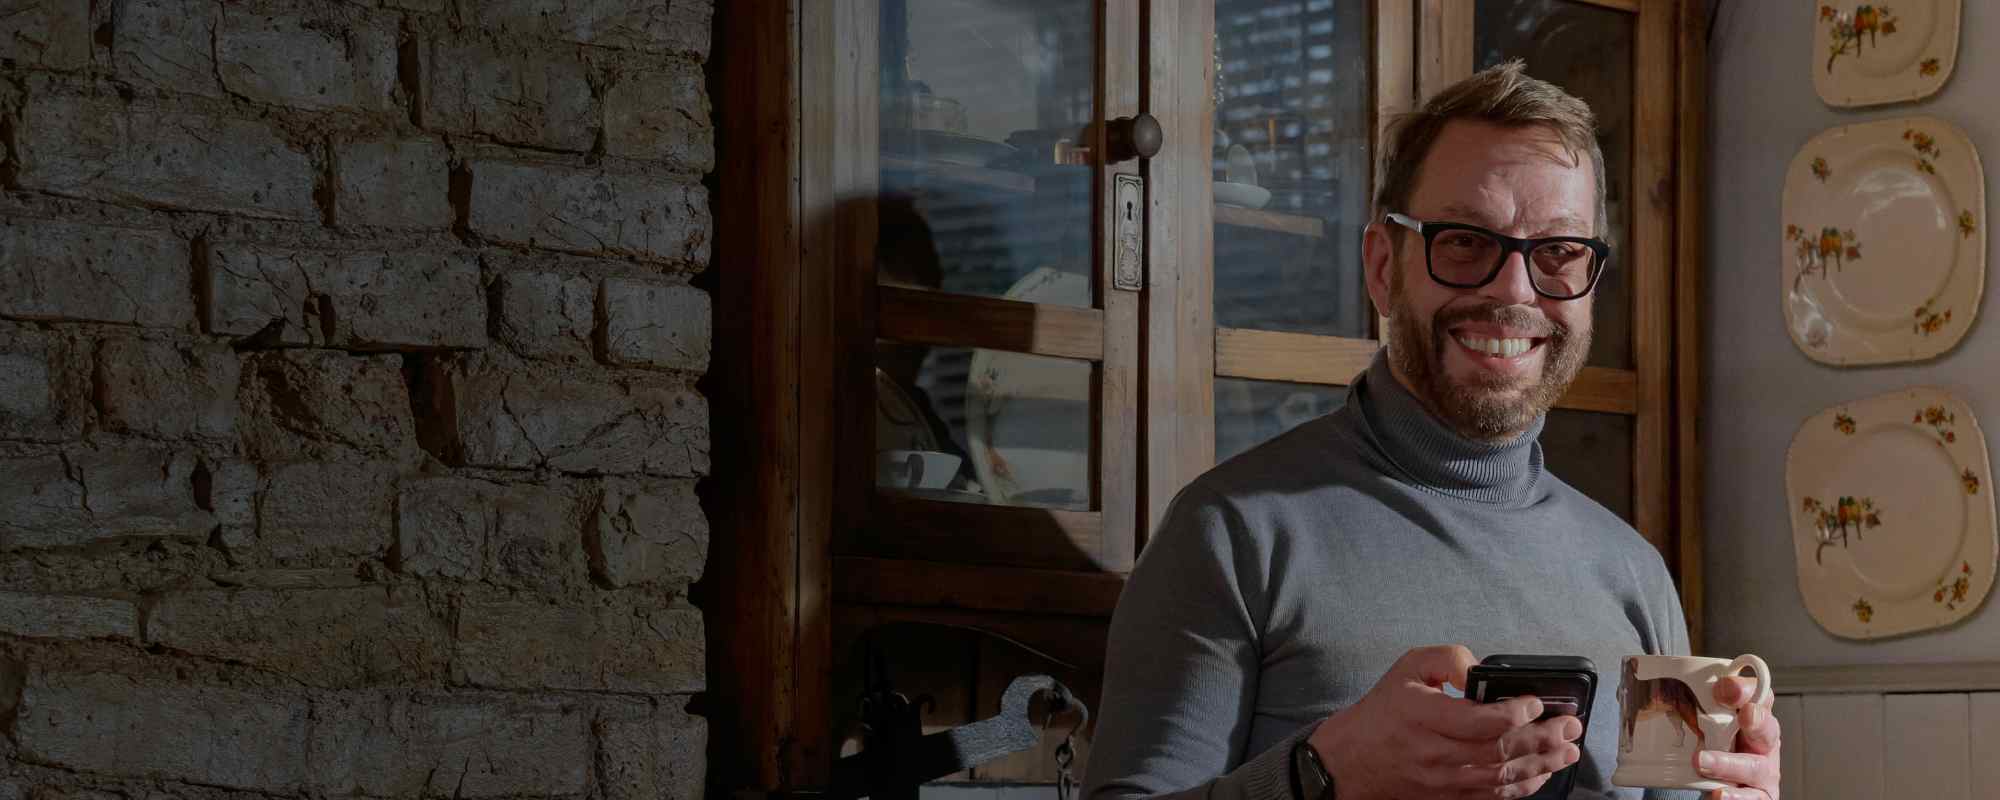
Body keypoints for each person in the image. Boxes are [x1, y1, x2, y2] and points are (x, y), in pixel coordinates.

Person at [1082, 62, 1780, 800]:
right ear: (1384, 266)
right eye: (1464, 243)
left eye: (1557, 252)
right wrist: (1325, 772)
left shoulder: (1634, 575)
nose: (1513, 291)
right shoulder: (1232, 534)